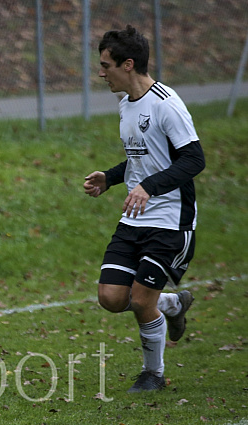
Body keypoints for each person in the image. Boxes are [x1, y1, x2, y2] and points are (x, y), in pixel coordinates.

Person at [83, 26, 205, 392]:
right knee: (111, 297)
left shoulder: (166, 104)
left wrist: (149, 188)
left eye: (106, 65)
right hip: (135, 217)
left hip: (170, 220)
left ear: (129, 64)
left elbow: (193, 159)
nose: (101, 73)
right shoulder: (126, 105)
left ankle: (153, 374)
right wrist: (111, 176)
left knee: (139, 300)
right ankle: (171, 305)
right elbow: (143, 161)